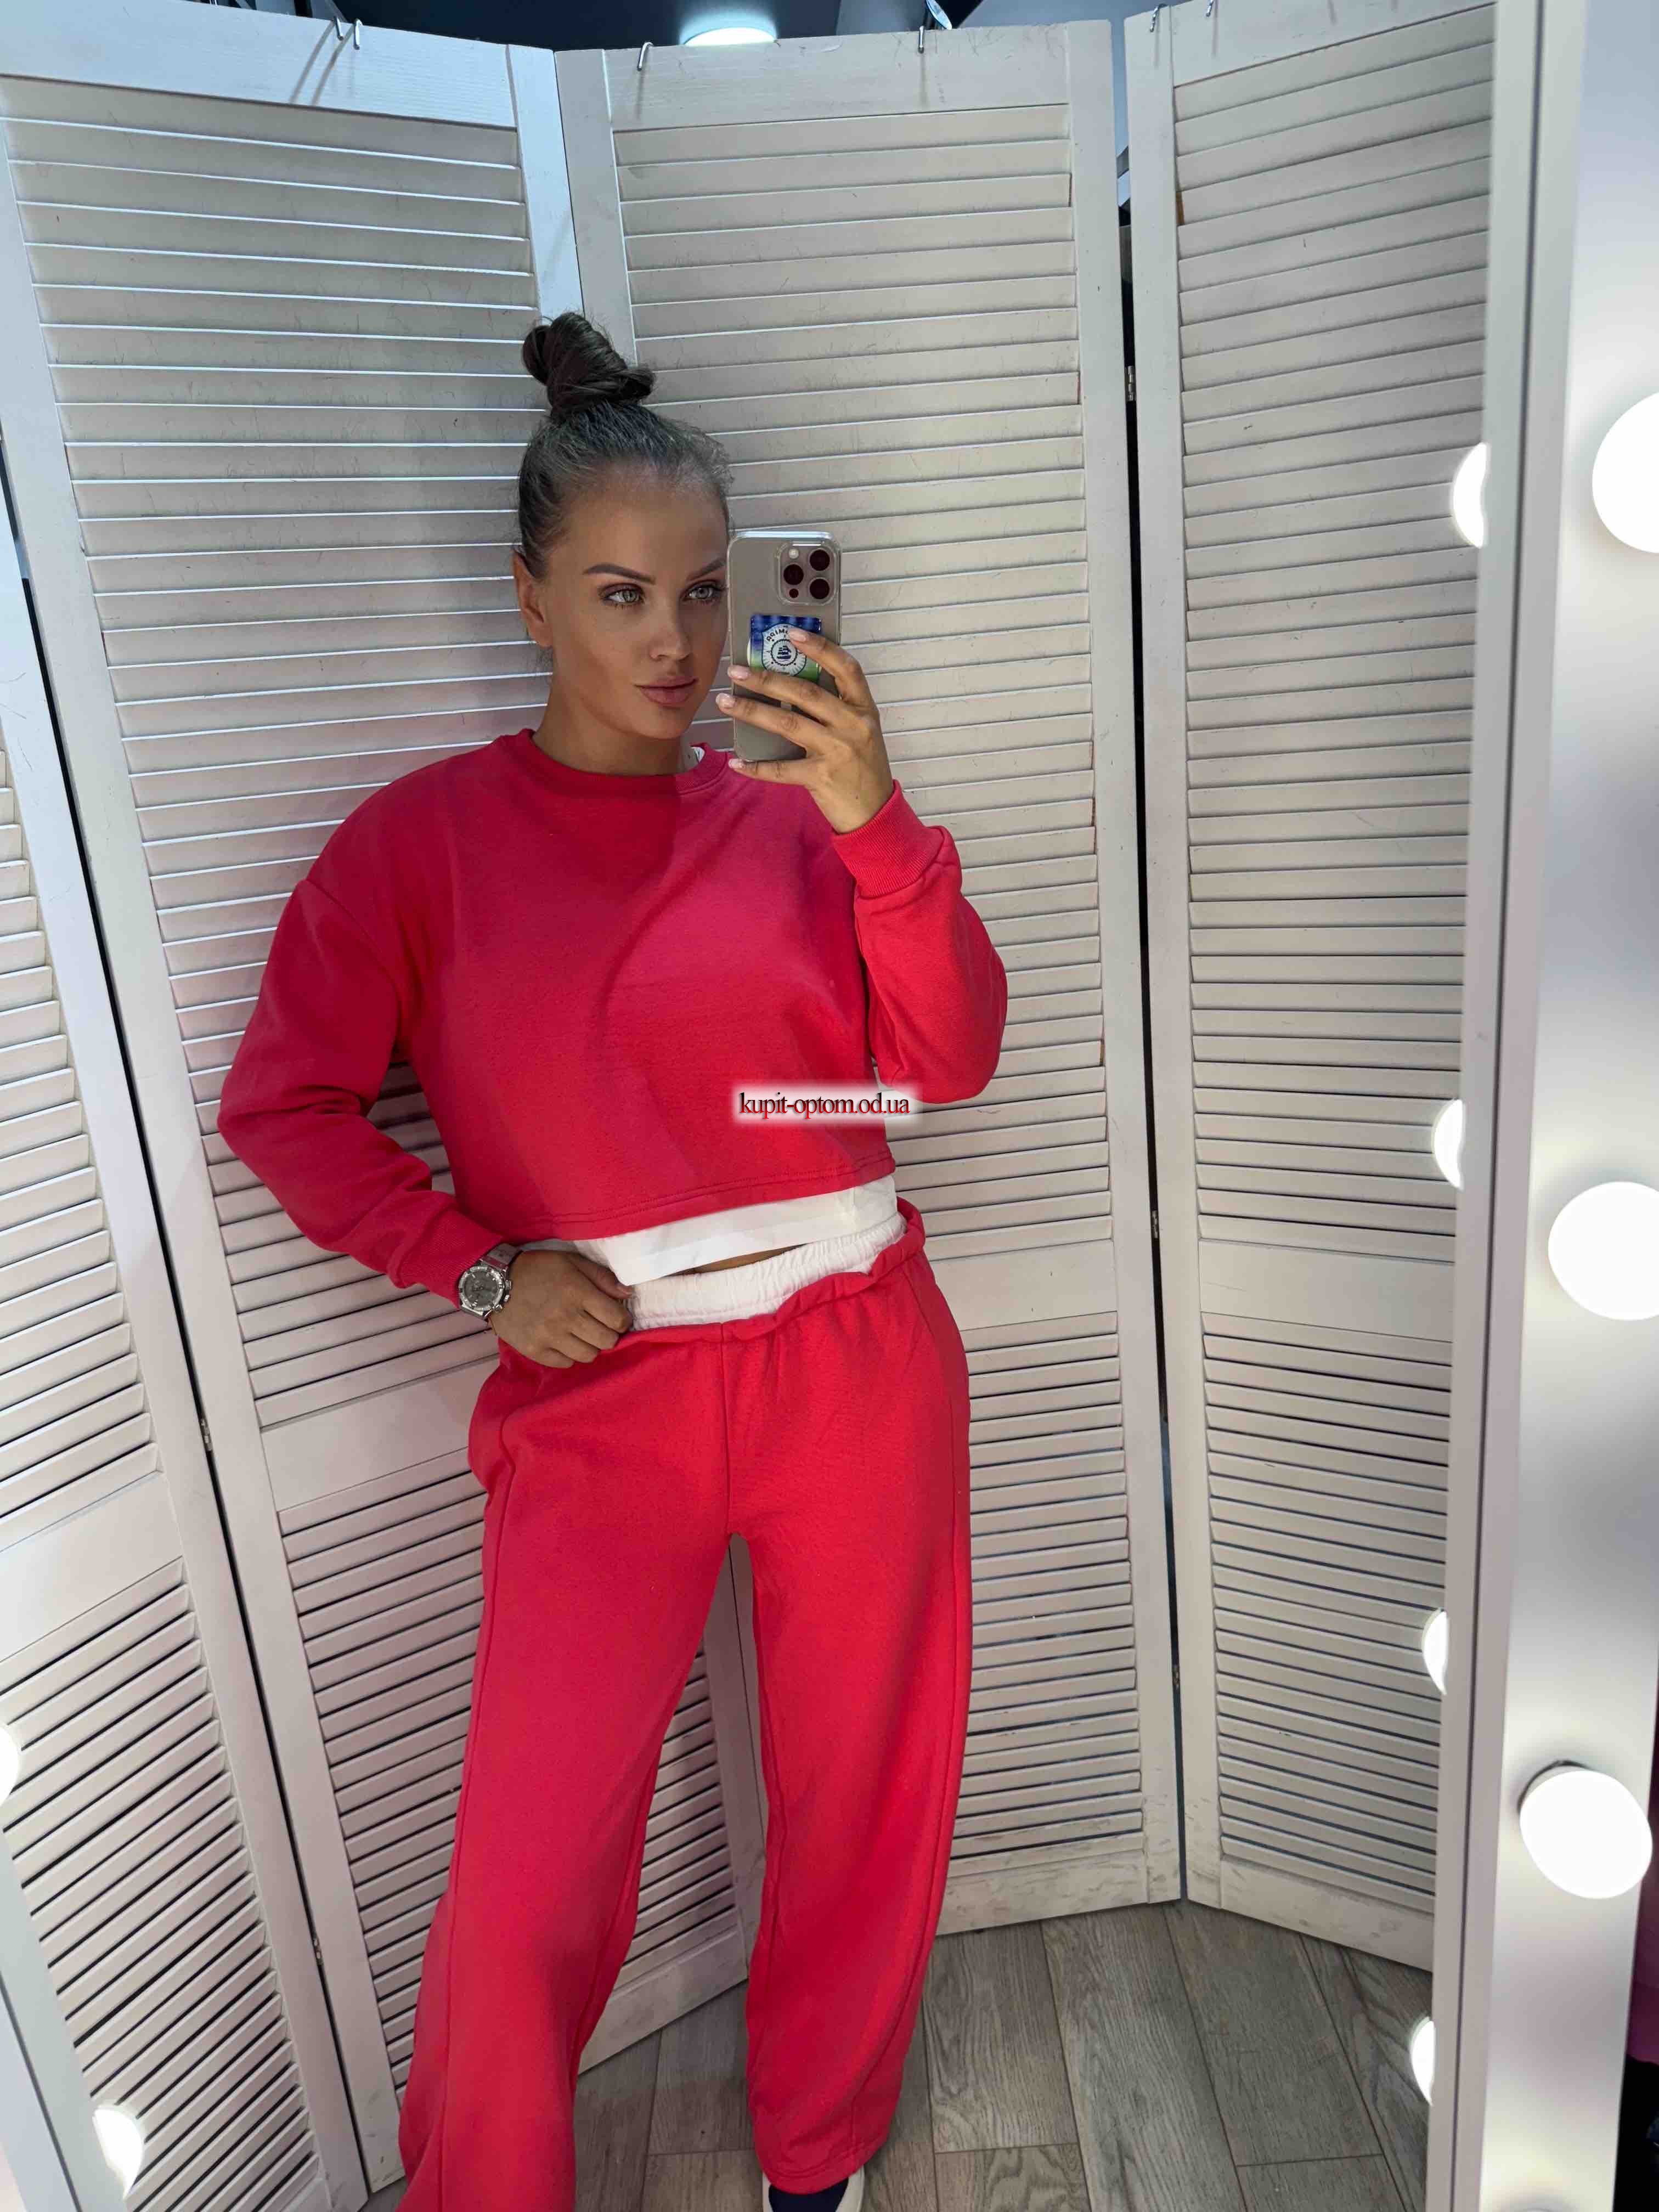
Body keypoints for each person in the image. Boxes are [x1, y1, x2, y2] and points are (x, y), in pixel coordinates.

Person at [216, 309, 1009, 2212]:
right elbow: (284, 1109)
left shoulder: (803, 824)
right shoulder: (418, 848)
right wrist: (481, 1271)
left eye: (706, 592)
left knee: (866, 1786)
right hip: (601, 1388)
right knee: (530, 1865)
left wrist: (873, 818)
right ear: (532, 598)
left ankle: (817, 2156)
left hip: (857, 1352)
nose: (676, 642)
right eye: (621, 594)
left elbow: (944, 1064)